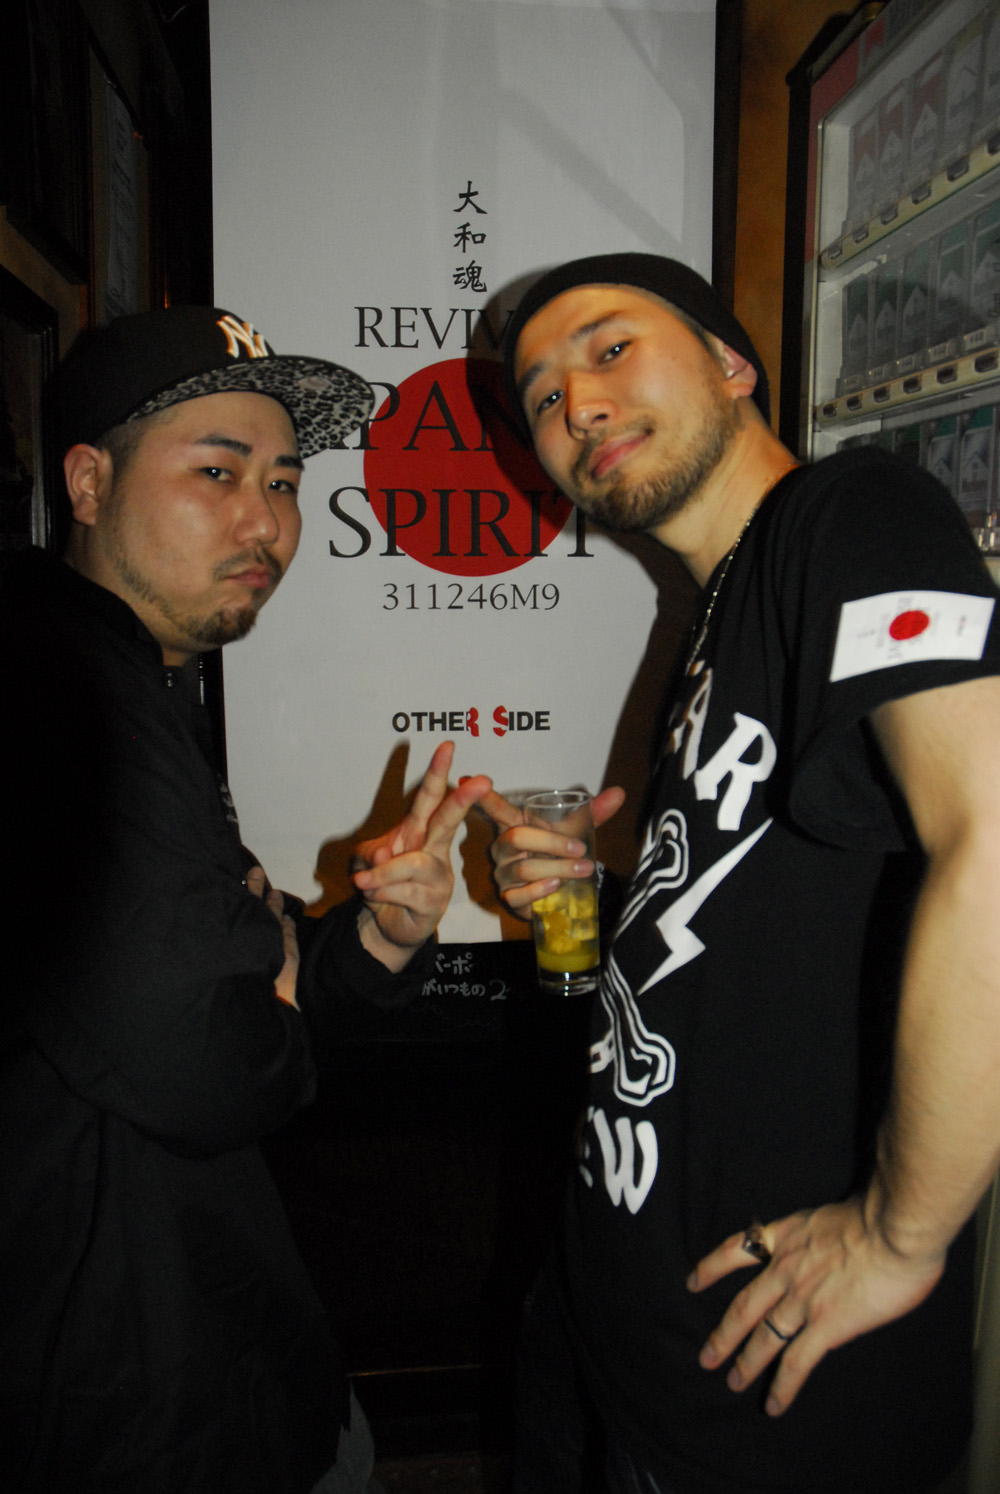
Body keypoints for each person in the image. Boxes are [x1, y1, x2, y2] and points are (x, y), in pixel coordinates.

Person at [484, 252, 1000, 1494]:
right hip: (639, 1349)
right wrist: (597, 894)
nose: (577, 405)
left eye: (610, 348)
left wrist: (900, 1234)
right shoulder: (721, 610)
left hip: (774, 1407)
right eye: (543, 397)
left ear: (731, 364)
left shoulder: (850, 514)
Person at [0, 306, 491, 1494]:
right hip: (124, 1410)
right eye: (216, 472)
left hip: (204, 1343)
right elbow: (213, 1072)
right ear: (87, 482)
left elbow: (236, 998)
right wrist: (263, 980)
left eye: (283, 482)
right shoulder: (60, 695)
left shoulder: (133, 681)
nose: (266, 522)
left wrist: (372, 939)